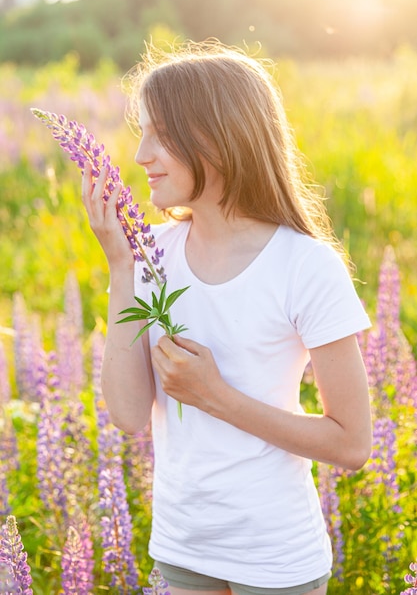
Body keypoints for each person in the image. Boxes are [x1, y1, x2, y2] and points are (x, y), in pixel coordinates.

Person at [81, 40, 372, 595]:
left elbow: (352, 443)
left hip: (276, 562)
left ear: (219, 138)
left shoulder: (305, 265)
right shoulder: (150, 255)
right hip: (182, 549)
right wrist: (121, 264)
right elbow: (125, 414)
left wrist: (215, 396)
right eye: (140, 132)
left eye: (160, 134)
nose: (141, 155)